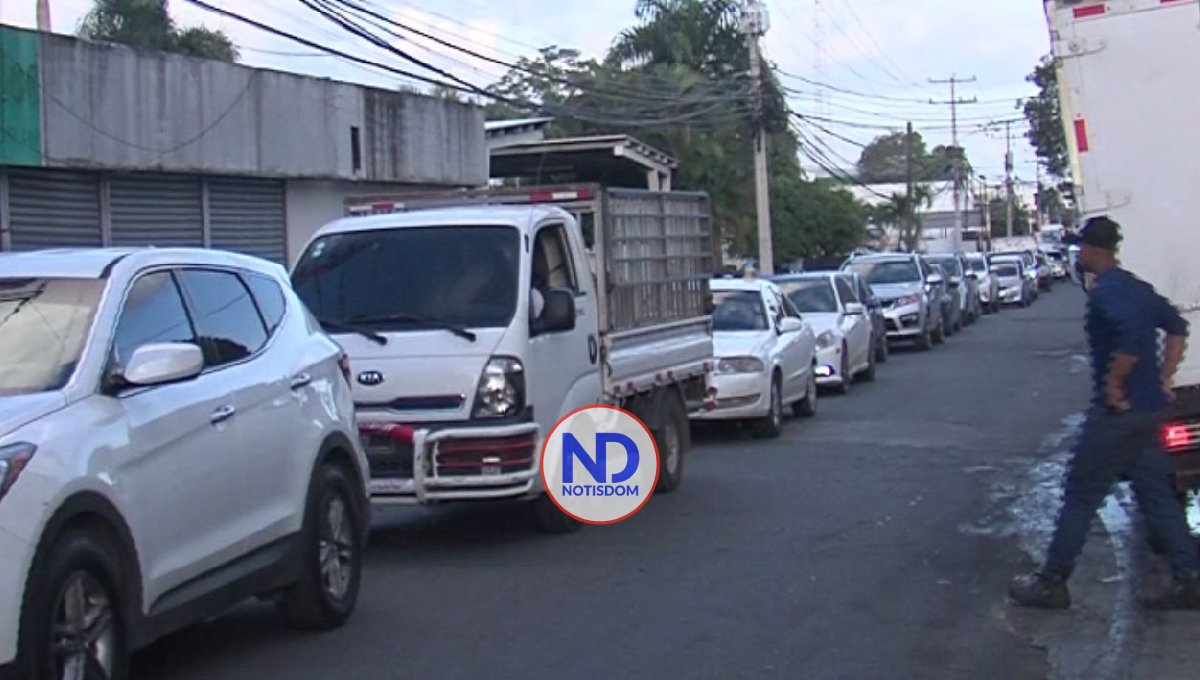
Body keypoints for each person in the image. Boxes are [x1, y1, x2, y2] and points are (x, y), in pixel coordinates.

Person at [1009, 216, 1200, 610]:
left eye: (1081, 248)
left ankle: (1052, 582)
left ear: (1093, 250)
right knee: (1156, 495)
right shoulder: (1134, 287)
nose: (1078, 255)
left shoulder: (1107, 294)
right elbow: (1177, 327)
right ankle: (1190, 577)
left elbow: (1130, 342)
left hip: (1118, 415)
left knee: (1080, 494)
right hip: (1149, 413)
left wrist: (1115, 385)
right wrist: (1165, 377)